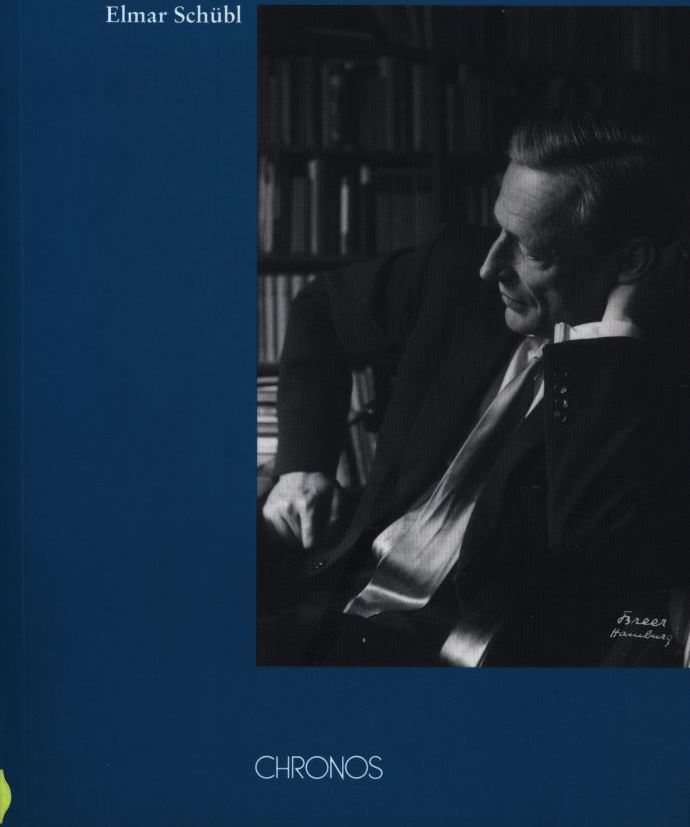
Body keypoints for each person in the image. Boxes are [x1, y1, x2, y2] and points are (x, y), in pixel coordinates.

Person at [257, 104, 690, 666]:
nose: (491, 267)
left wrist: (604, 346)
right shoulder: (456, 270)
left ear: (630, 261)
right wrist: (302, 465)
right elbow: (321, 310)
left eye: (532, 249)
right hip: (326, 579)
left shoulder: (654, 383)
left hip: (446, 652)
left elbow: (599, 564)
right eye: (500, 229)